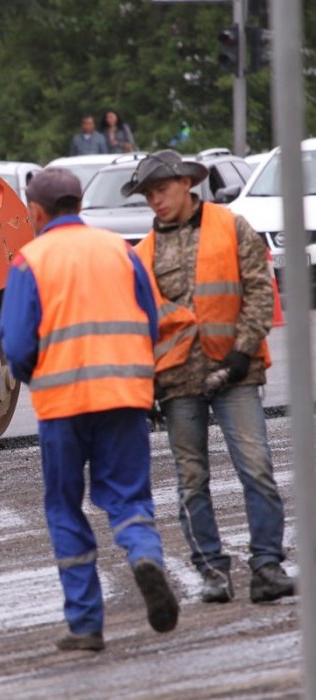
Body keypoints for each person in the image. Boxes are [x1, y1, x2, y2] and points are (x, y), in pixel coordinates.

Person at [0, 167, 179, 652]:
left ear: (36, 212)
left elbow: (15, 345)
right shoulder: (121, 250)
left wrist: (37, 373)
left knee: (64, 506)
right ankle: (144, 557)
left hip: (64, 403)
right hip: (125, 396)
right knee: (127, 498)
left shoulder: (29, 261)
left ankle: (86, 624)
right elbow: (151, 321)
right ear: (79, 204)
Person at [125, 150, 296, 605]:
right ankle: (213, 573)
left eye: (160, 190)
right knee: (191, 479)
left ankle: (266, 568)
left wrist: (242, 352)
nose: (154, 201)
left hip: (236, 372)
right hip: (177, 382)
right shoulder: (142, 254)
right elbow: (141, 325)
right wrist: (146, 390)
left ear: (186, 183)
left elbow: (261, 287)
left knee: (256, 469)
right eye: (147, 194)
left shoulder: (231, 225)